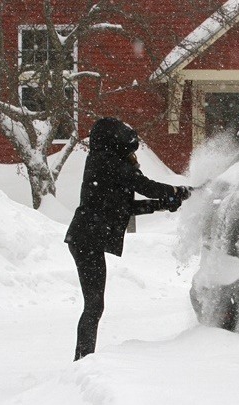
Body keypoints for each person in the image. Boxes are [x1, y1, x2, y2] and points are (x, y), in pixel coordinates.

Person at [64, 117, 190, 361]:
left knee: (94, 305)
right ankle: (82, 360)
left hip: (85, 238)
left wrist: (162, 205)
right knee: (94, 305)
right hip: (86, 239)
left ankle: (82, 358)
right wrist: (177, 192)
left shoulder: (106, 163)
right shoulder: (106, 162)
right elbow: (145, 186)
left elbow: (125, 207)